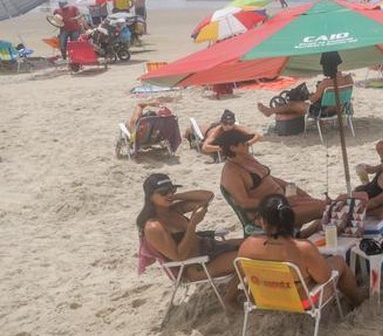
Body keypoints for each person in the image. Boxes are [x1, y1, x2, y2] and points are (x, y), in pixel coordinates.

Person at [237, 195, 366, 309]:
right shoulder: (303, 248)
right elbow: (325, 278)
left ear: (263, 221)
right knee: (338, 261)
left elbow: (243, 275)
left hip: (263, 299)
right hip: (302, 303)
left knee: (308, 268)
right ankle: (358, 300)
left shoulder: (248, 244)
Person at [136, 174, 242, 304]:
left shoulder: (173, 210)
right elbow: (178, 256)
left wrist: (175, 197)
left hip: (209, 249)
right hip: (196, 266)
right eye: (163, 192)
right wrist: (192, 224)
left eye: (172, 189)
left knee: (253, 243)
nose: (169, 194)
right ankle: (229, 298)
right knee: (246, 259)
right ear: (150, 197)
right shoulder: (154, 227)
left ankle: (242, 288)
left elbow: (207, 196)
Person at [215, 130, 326, 226]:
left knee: (326, 204)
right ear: (232, 147)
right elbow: (244, 203)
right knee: (325, 208)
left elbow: (268, 178)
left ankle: (306, 234)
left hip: (283, 202)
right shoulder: (232, 172)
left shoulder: (247, 158)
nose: (248, 144)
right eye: (244, 143)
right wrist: (278, 202)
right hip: (269, 214)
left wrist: (294, 189)